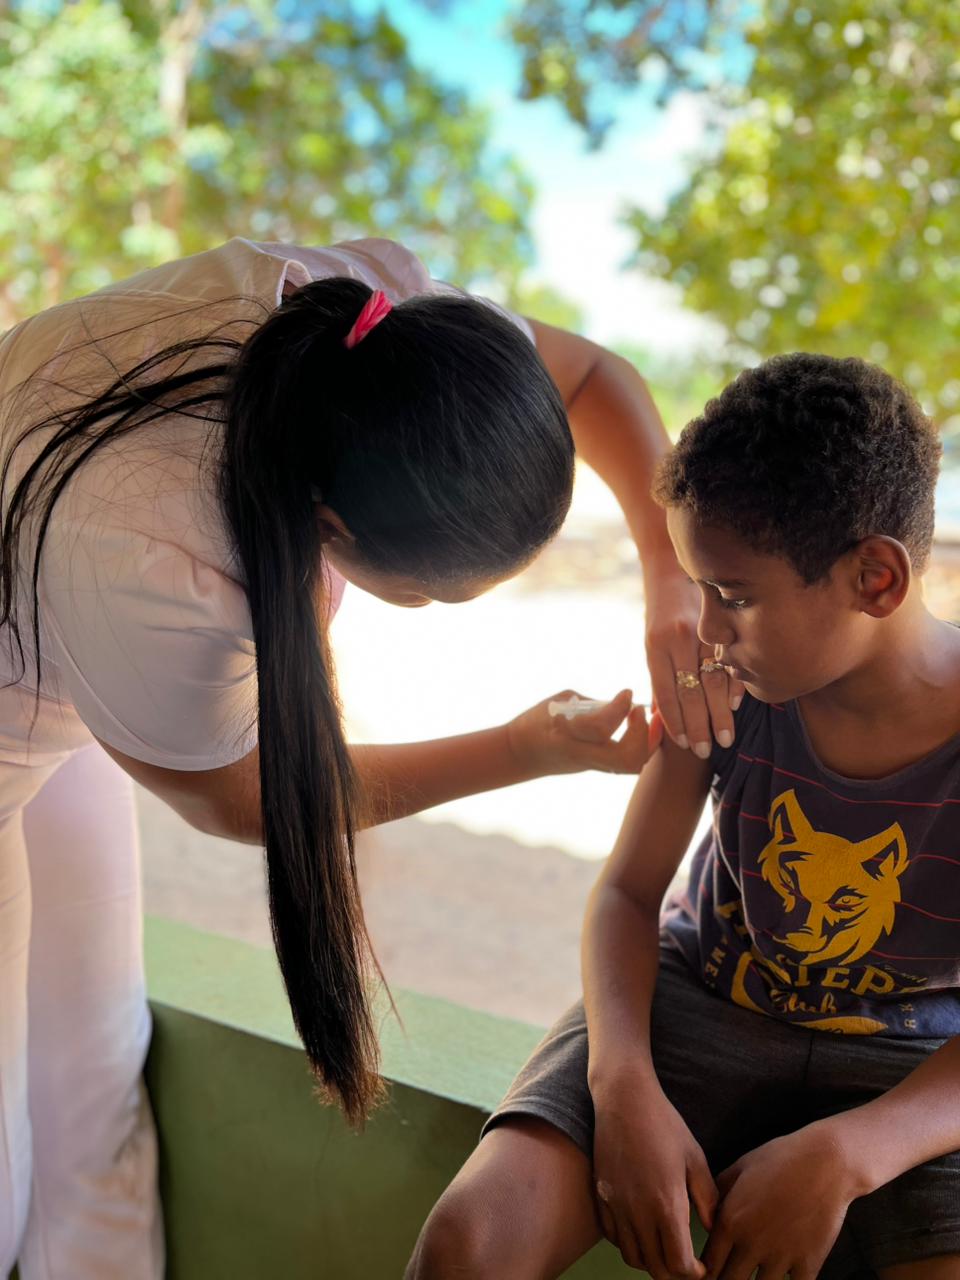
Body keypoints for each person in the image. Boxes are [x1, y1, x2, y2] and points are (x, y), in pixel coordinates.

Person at [0, 236, 732, 1279]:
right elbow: (245, 798)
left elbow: (590, 377)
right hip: (40, 621)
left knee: (95, 1058)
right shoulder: (157, 556)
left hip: (47, 618)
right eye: (427, 594)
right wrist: (525, 748)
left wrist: (672, 576)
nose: (426, 606)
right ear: (329, 525)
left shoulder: (386, 338)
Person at [407, 352, 960, 1280]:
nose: (705, 631)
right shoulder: (729, 685)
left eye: (733, 597)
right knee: (468, 1246)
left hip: (913, 1065)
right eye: (702, 589)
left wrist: (849, 1154)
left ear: (875, 579)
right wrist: (622, 1086)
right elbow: (628, 893)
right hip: (695, 1000)